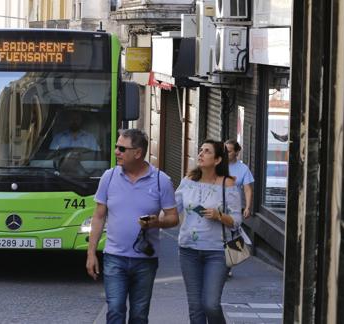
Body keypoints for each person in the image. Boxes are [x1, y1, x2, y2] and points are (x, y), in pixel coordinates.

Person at [86, 128, 179, 324]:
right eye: (116, 147)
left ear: (137, 153)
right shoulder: (109, 177)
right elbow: (98, 217)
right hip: (114, 257)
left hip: (145, 260)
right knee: (115, 309)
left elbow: (173, 218)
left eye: (121, 148)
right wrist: (91, 253)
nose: (116, 152)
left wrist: (157, 222)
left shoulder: (161, 180)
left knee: (139, 314)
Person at [175, 139, 242, 324]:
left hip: (217, 252)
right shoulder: (188, 181)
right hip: (188, 250)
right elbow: (173, 209)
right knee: (195, 307)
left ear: (218, 160)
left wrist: (219, 215)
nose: (200, 154)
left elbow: (236, 221)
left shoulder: (227, 184)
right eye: (200, 150)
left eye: (207, 151)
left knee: (210, 304)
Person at [225, 139, 254, 219]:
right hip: (217, 207)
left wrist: (247, 208)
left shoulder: (243, 169)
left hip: (234, 209)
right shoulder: (217, 165)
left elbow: (247, 189)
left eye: (229, 152)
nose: (225, 154)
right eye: (224, 151)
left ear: (237, 152)